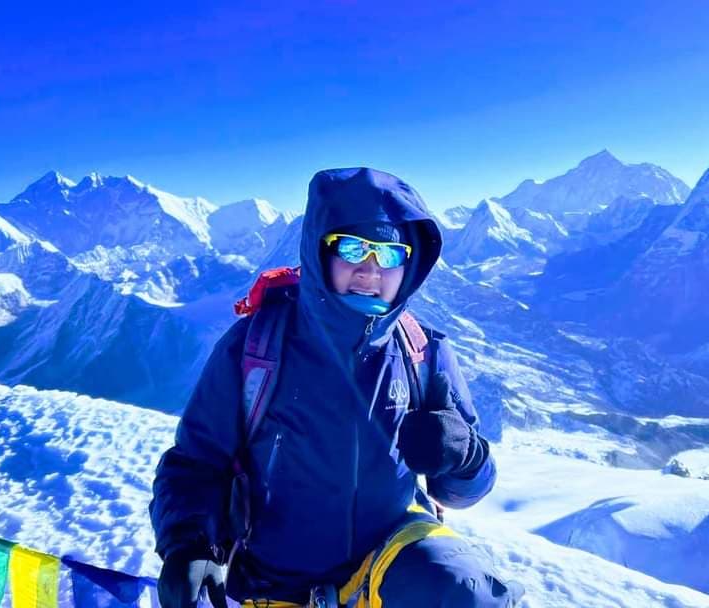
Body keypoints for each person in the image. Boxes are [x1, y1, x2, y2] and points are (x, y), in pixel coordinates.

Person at [150, 167, 520, 607]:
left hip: (391, 558)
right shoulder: (256, 349)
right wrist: (189, 543)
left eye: (389, 254)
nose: (370, 269)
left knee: (464, 591)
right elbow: (195, 462)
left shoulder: (423, 355)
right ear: (319, 251)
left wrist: (463, 456)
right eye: (352, 247)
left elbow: (466, 490)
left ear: (410, 264)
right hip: (278, 580)